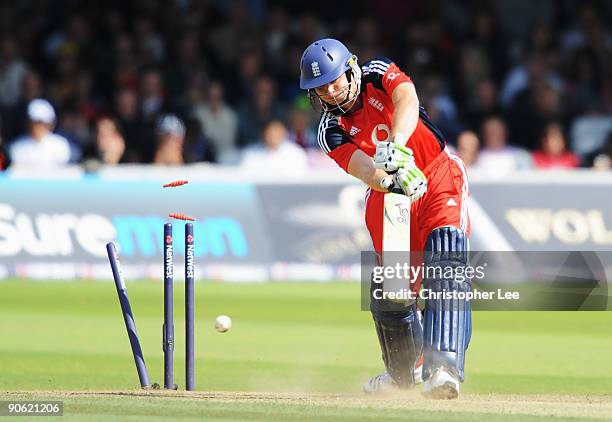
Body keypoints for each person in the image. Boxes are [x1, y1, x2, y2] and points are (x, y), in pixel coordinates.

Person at [300, 38, 471, 399]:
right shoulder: (330, 131)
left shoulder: (376, 73)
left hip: (438, 175)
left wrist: (396, 147)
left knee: (446, 263)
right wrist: (390, 178)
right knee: (391, 288)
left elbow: (408, 100)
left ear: (350, 69)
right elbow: (365, 170)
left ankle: (443, 370)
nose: (331, 92)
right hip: (390, 194)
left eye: (334, 80)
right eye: (321, 88)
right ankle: (402, 374)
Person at [8, 98, 71, 168]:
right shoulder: (16, 147)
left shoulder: (60, 145)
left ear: (51, 124)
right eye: (35, 122)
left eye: (42, 123)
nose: (38, 127)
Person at [241, 119, 308, 174]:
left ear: (284, 133)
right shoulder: (251, 153)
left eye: (277, 132)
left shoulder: (296, 153)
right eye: (270, 132)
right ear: (263, 133)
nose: (273, 135)